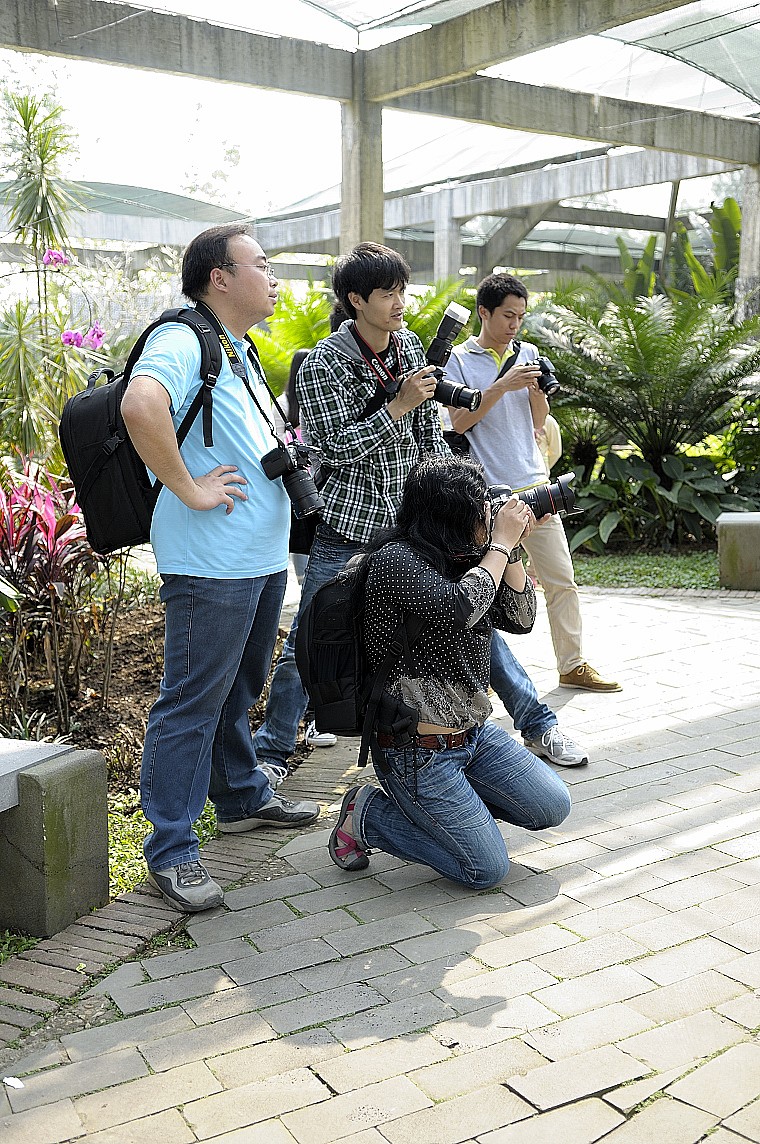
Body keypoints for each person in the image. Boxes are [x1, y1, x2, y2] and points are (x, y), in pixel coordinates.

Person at [254, 242, 588, 779]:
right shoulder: (322, 363)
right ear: (356, 299)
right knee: (311, 638)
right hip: (350, 526)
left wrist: (463, 503)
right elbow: (334, 448)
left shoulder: (410, 346)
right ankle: (271, 755)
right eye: (388, 294)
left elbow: (431, 435)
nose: (400, 303)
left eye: (402, 291)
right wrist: (398, 405)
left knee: (473, 623)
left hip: (416, 530)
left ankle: (538, 724)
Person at [121, 223, 320, 914]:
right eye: (261, 264)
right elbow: (140, 405)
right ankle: (172, 849)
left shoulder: (237, 347)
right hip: (210, 563)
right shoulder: (183, 339)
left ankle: (238, 797)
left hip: (258, 558)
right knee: (192, 700)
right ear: (220, 278)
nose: (273, 278)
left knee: (237, 687)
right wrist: (189, 488)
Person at [328, 455, 572, 886]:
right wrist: (499, 546)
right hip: (415, 750)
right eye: (480, 508)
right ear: (449, 515)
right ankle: (367, 815)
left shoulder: (468, 556)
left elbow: (520, 619)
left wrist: (512, 547)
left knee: (552, 806)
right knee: (484, 869)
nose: (489, 514)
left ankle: (453, 815)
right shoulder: (395, 561)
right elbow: (459, 608)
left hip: (474, 735)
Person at [446, 273, 621, 695]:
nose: (515, 325)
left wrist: (539, 391)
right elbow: (459, 422)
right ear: (484, 312)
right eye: (508, 315)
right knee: (485, 586)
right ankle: (481, 678)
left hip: (535, 485)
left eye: (521, 317)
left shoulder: (528, 353)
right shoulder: (459, 360)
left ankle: (572, 664)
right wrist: (502, 385)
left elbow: (538, 422)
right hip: (488, 494)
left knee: (561, 579)